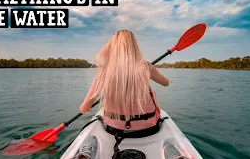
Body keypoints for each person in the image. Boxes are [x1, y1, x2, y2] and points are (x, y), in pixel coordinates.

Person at [76, 30, 183, 159]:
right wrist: (149, 71)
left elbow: (83, 109)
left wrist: (87, 106)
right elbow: (166, 83)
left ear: (111, 48)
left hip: (114, 129)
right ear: (134, 47)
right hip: (148, 129)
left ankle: (85, 156)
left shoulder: (104, 72)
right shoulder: (146, 67)